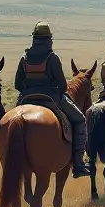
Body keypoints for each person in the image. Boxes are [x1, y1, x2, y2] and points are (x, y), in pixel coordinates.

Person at [14, 22, 89, 178]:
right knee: (80, 120)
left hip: (25, 98)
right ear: (49, 39)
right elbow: (62, 86)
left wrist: (29, 90)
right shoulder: (52, 58)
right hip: (51, 98)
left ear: (34, 39)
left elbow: (17, 84)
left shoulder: (24, 58)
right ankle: (78, 164)